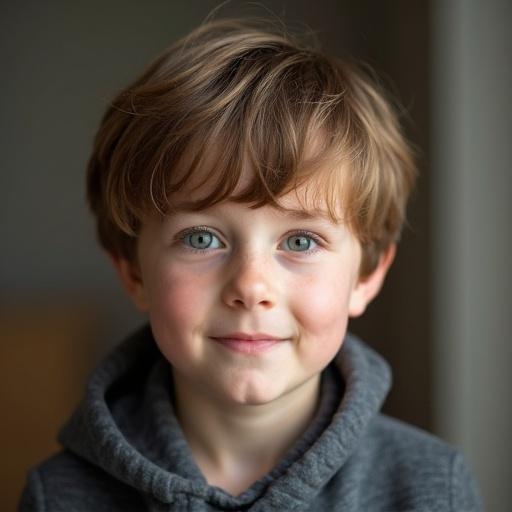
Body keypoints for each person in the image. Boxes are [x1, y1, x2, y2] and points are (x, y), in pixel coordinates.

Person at [18, 17, 483, 511]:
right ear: (134, 272)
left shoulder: (431, 486)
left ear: (365, 276)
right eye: (201, 237)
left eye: (301, 241)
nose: (250, 286)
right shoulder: (59, 496)